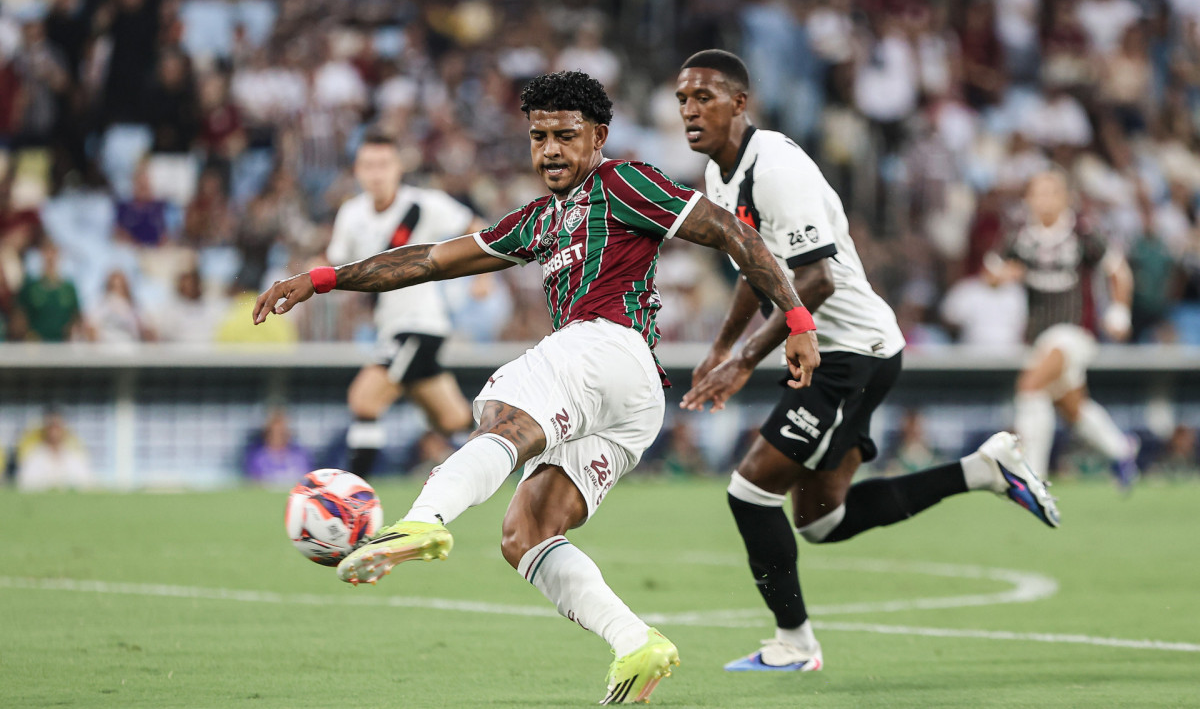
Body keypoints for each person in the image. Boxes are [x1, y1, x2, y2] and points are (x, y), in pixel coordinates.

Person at [253, 70, 821, 704]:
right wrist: (326, 278)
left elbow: (731, 231)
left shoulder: (624, 183)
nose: (550, 149)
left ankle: (421, 521)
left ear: (598, 135)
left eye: (565, 135)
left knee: (503, 410)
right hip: (628, 399)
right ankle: (635, 643)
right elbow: (430, 260)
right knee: (526, 532)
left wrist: (796, 318)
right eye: (538, 136)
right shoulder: (538, 221)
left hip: (608, 345)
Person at [675, 50, 1059, 673]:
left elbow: (816, 279)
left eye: (704, 98)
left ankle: (794, 645)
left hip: (850, 351)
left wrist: (743, 360)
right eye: (683, 100)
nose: (690, 111)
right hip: (836, 351)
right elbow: (755, 264)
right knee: (824, 522)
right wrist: (721, 348)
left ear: (739, 103)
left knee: (749, 492)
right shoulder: (720, 174)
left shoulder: (775, 168)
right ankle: (985, 470)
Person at [326, 131, 485, 479]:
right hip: (391, 325)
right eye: (368, 165)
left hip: (420, 324)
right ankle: (492, 470)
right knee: (452, 419)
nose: (376, 173)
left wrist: (484, 277)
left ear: (398, 167)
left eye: (383, 164)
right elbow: (337, 266)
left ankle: (354, 496)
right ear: (357, 170)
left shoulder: (423, 204)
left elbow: (476, 227)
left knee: (364, 400)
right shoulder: (351, 215)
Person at [985, 168, 1140, 484]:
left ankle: (1031, 475)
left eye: (1051, 192)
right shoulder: (1019, 236)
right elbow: (991, 273)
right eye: (1037, 193)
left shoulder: (1083, 233)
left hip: (1075, 331)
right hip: (1037, 335)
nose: (1044, 200)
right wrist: (1001, 278)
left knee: (1030, 385)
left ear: (1065, 197)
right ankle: (1122, 451)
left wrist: (1120, 312)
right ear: (1027, 199)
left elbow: (1118, 270)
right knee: (1072, 406)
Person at [15, 409, 93, 492]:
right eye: (50, 427)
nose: (54, 432)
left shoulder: (74, 455)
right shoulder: (34, 455)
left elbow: (86, 482)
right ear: (45, 429)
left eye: (57, 426)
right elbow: (25, 483)